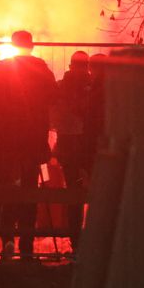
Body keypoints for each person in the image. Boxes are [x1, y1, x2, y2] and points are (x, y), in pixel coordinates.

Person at [0, 30, 57, 261]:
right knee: (28, 192)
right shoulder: (42, 69)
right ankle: (25, 247)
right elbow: (54, 97)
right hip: (32, 140)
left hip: (4, 138)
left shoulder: (3, 68)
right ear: (31, 47)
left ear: (13, 46)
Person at [54, 51, 93, 251]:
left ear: (70, 65)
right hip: (89, 145)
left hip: (68, 145)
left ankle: (76, 241)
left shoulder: (61, 87)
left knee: (73, 191)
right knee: (97, 192)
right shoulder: (95, 87)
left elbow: (54, 116)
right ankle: (95, 239)